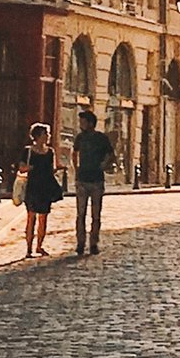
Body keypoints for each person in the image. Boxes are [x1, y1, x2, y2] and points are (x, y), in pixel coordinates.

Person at [17, 122, 63, 257]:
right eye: (45, 134)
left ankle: (39, 246)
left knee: (43, 218)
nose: (48, 136)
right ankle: (29, 248)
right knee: (31, 217)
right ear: (37, 136)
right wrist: (31, 168)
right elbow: (21, 167)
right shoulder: (28, 151)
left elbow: (53, 167)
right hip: (33, 186)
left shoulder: (50, 152)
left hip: (46, 187)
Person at [70, 104, 112, 256]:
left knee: (96, 214)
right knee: (80, 214)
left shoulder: (101, 138)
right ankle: (80, 243)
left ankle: (93, 243)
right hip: (82, 179)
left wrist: (103, 164)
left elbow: (109, 153)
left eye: (83, 122)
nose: (81, 124)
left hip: (96, 180)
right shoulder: (80, 138)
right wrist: (76, 168)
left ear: (90, 123)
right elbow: (74, 153)